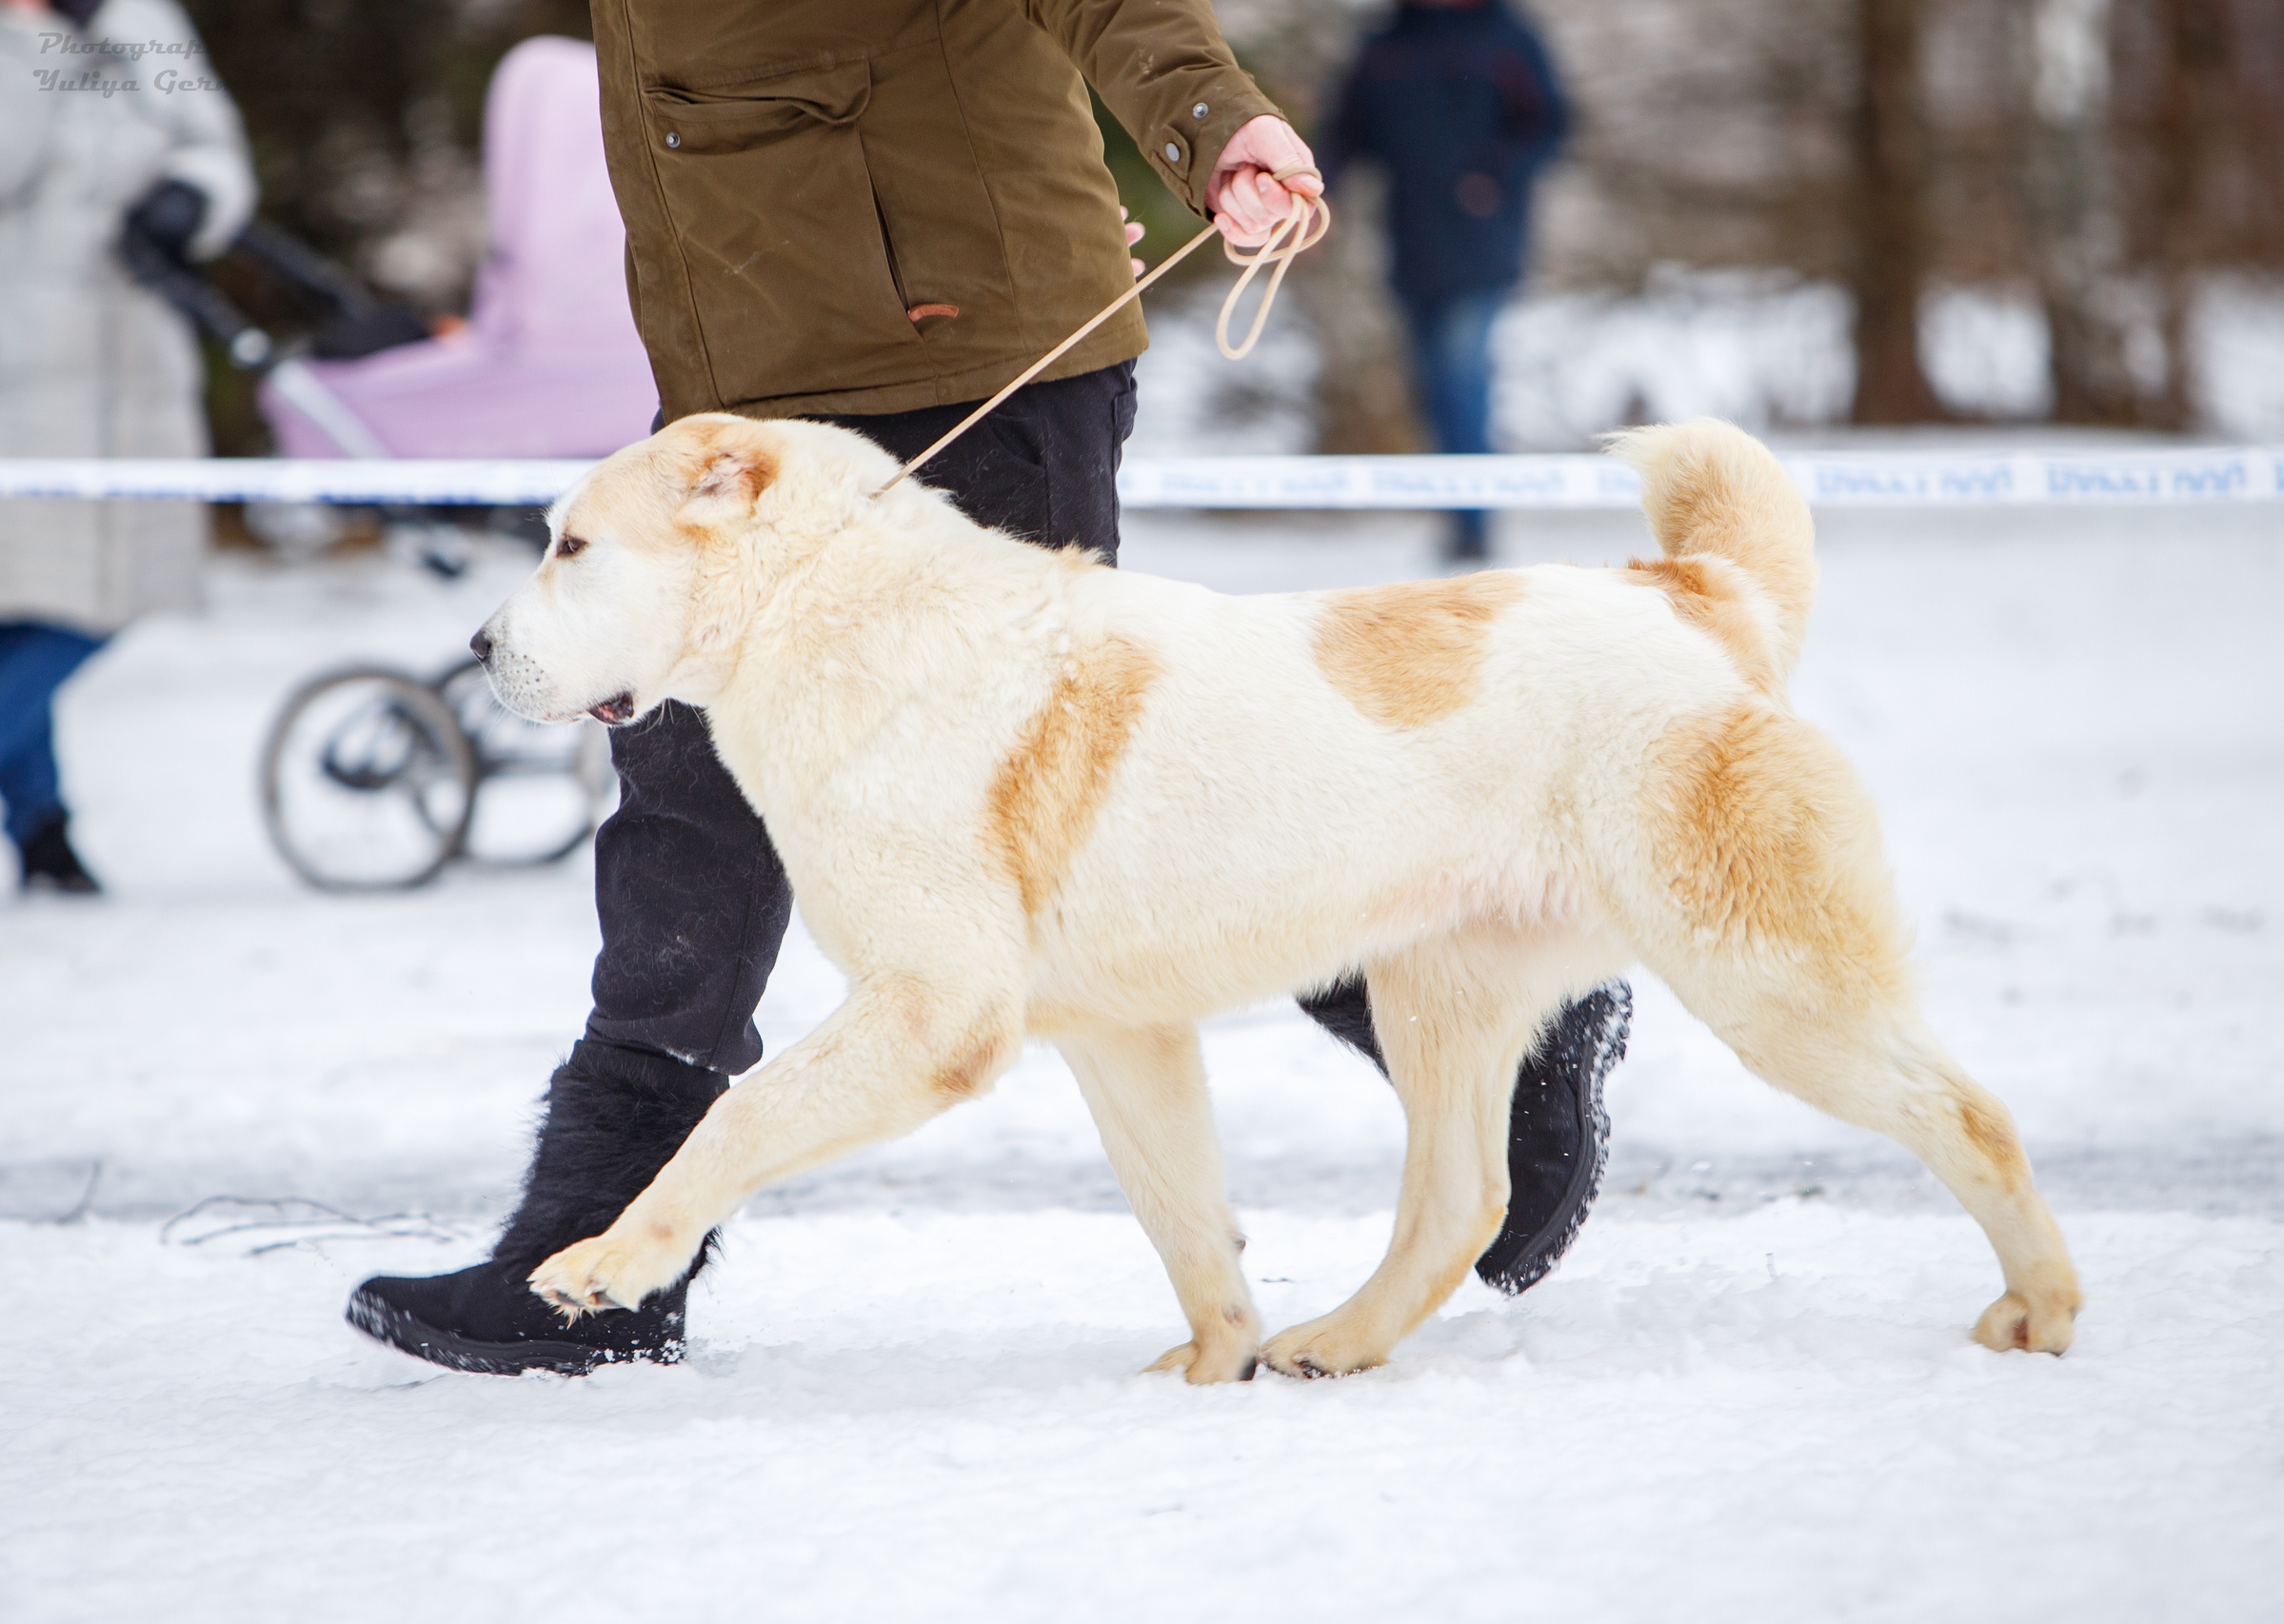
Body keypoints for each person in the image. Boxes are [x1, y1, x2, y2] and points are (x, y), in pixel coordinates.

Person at [348, 0, 1628, 1376]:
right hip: (747, 411)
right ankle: (593, 1261)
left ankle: (1505, 999)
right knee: (686, 814)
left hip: (971, 373)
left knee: (1117, 839)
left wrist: (1214, 124)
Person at [0, 0, 254, 892]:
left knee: (98, 595)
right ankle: (42, 828)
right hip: (18, 373)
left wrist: (193, 195)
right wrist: (31, 37)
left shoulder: (142, 17)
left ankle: (38, 824)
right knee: (35, 601)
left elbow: (212, 139)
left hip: (136, 366)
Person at [1326, 0, 1567, 563]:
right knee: (1431, 388)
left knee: (1462, 380)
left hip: (1482, 247)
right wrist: (1312, 192)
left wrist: (1493, 177)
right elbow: (1345, 132)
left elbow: (1548, 123)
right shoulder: (1385, 44)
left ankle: (1475, 525)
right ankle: (1460, 515)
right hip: (1410, 244)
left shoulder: (1507, 38)